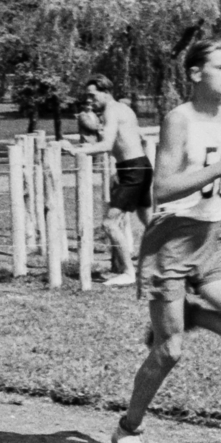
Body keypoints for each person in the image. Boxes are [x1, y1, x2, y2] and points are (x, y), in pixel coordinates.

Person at [110, 39, 221, 443]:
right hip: (171, 243)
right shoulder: (178, 120)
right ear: (196, 73)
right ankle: (129, 428)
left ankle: (194, 314)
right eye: (219, 67)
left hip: (213, 241)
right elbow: (161, 188)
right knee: (170, 351)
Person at [61, 75, 151, 287]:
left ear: (106, 92)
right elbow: (137, 139)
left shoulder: (111, 110)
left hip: (133, 170)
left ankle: (129, 273)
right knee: (151, 223)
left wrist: (75, 150)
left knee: (110, 223)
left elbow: (107, 145)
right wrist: (84, 145)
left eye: (93, 95)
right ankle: (175, 263)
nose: (90, 100)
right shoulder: (123, 109)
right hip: (140, 166)